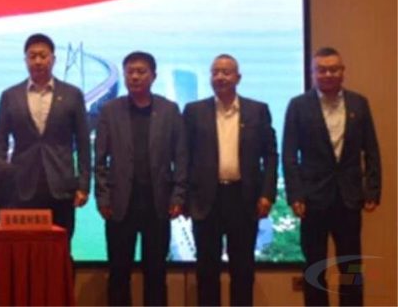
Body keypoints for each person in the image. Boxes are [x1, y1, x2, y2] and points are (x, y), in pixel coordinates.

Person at [283, 47, 381, 307]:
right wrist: (295, 195)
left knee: (351, 266)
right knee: (314, 265)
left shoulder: (359, 103)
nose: (327, 74)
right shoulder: (298, 105)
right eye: (321, 70)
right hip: (312, 200)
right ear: (313, 73)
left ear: (343, 72)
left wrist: (372, 190)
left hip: (349, 198)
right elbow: (289, 155)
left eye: (333, 69)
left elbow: (371, 150)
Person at [94, 51, 187, 306]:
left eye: (141, 71)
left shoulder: (169, 110)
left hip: (158, 204)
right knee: (118, 273)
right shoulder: (110, 110)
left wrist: (178, 195)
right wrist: (103, 198)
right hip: (119, 205)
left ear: (153, 76)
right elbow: (100, 160)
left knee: (156, 273)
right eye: (130, 72)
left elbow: (181, 158)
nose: (135, 77)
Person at [184, 55, 277, 307]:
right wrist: (185, 198)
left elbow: (270, 155)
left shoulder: (257, 110)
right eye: (215, 72)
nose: (220, 77)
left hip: (243, 199)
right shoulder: (194, 111)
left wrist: (267, 194)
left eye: (226, 72)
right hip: (207, 201)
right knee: (206, 272)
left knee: (243, 270)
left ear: (238, 77)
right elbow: (184, 156)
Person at [0, 34, 90, 239]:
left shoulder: (72, 94)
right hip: (21, 185)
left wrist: (83, 185)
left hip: (61, 185)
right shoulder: (10, 95)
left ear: (53, 59)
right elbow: (0, 143)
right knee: (23, 246)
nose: (37, 61)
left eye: (43, 56)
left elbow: (83, 143)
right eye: (32, 56)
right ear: (25, 60)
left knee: (61, 245)